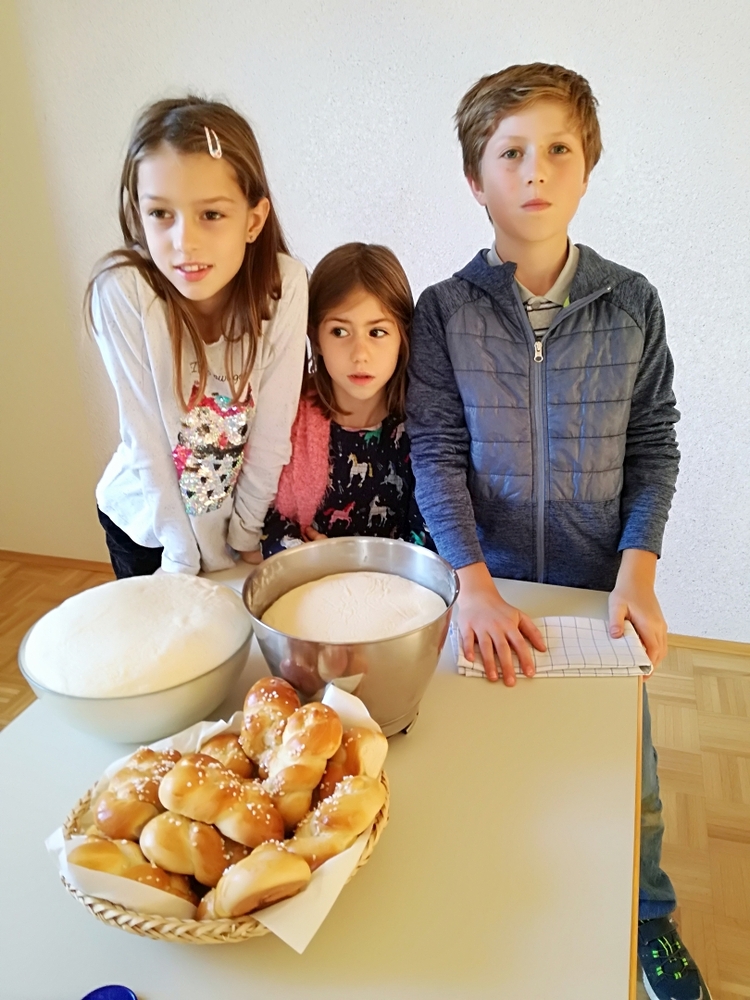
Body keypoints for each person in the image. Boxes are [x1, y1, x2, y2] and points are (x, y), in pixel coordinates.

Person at [406, 64, 709, 1000]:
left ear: (587, 169)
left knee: (629, 779)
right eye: (510, 153)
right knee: (486, 761)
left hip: (595, 593)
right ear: (475, 179)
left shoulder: (634, 302)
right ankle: (499, 909)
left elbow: (654, 444)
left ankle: (648, 918)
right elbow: (435, 451)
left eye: (558, 150)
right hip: (488, 591)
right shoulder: (443, 311)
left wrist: (638, 569)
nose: (534, 170)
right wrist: (472, 584)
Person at [87, 96, 307, 577]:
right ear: (139, 214)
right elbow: (147, 444)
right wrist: (183, 558)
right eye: (161, 213)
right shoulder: (122, 291)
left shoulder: (284, 286)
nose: (184, 242)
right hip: (147, 526)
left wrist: (245, 533)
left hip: (235, 527)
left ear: (253, 220)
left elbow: (272, 434)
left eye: (211, 215)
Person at [261, 243, 430, 557]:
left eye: (377, 332)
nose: (359, 354)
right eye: (339, 332)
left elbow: (430, 536)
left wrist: (347, 560)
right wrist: (312, 558)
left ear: (403, 336)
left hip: (398, 584)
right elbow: (264, 518)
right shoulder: (287, 416)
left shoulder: (424, 425)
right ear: (315, 338)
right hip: (308, 580)